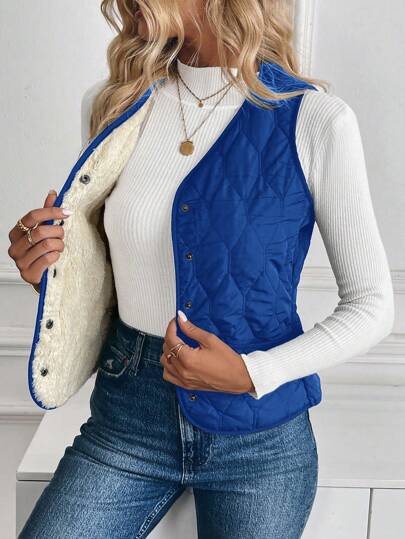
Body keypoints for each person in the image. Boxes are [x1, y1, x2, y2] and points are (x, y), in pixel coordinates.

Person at [9, 1, 394, 537]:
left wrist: (253, 373)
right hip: (127, 419)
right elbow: (112, 268)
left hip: (259, 440)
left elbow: (373, 306)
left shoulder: (316, 119)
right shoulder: (115, 104)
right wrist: (48, 269)